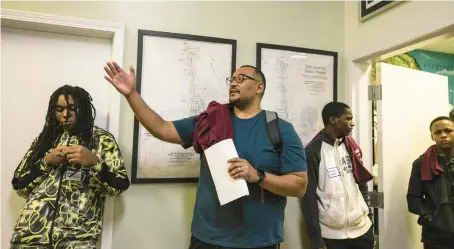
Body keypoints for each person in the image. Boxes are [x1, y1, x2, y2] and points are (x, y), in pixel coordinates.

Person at [103, 61, 308, 249]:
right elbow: (162, 128)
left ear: (259, 87)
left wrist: (257, 176)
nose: (233, 83)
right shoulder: (210, 120)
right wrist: (131, 94)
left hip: (259, 240)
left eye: (241, 78)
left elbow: (299, 186)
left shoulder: (280, 129)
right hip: (208, 238)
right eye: (232, 79)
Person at [10, 85, 130, 249]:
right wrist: (47, 161)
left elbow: (120, 185)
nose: (65, 115)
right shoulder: (45, 140)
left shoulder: (102, 140)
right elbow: (19, 184)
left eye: (72, 109)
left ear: (84, 109)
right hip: (29, 238)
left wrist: (94, 162)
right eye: (59, 109)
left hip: (76, 240)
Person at [301, 102, 374, 249]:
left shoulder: (351, 147)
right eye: (348, 119)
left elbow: (362, 183)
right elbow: (308, 197)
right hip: (331, 236)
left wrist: (369, 217)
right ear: (333, 120)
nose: (352, 123)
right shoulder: (313, 151)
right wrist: (315, 237)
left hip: (362, 230)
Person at [407, 116, 454, 249]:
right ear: (432, 136)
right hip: (436, 237)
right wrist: (431, 220)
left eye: (448, 130)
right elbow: (413, 198)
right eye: (438, 132)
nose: (443, 135)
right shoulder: (421, 164)